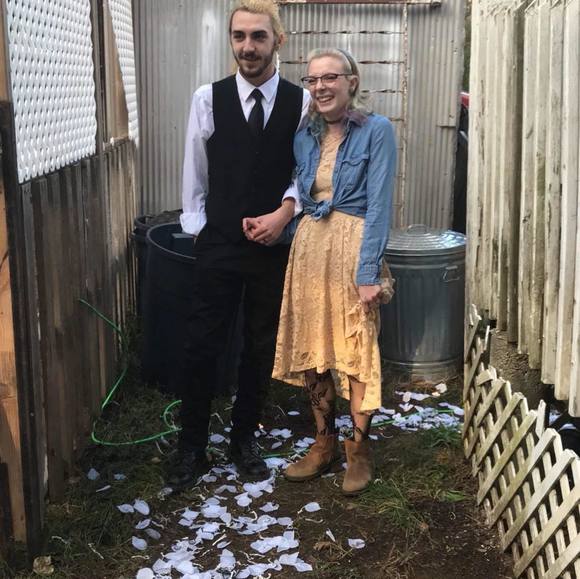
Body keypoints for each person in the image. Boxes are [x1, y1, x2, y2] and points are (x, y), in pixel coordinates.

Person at [169, 0, 309, 488]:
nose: (248, 47)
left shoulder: (300, 103)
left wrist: (284, 213)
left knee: (259, 345)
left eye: (258, 36)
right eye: (239, 36)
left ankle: (244, 439)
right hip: (220, 243)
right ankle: (191, 447)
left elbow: (305, 171)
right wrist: (200, 228)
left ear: (278, 41)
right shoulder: (208, 98)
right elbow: (194, 167)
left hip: (273, 245)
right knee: (202, 344)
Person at [271, 48, 397, 496]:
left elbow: (379, 205)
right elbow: (302, 195)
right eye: (313, 80)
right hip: (310, 250)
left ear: (352, 82)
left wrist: (368, 272)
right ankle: (323, 443)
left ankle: (358, 451)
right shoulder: (304, 135)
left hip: (353, 248)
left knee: (356, 349)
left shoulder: (377, 131)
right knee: (314, 350)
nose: (320, 87)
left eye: (330, 78)